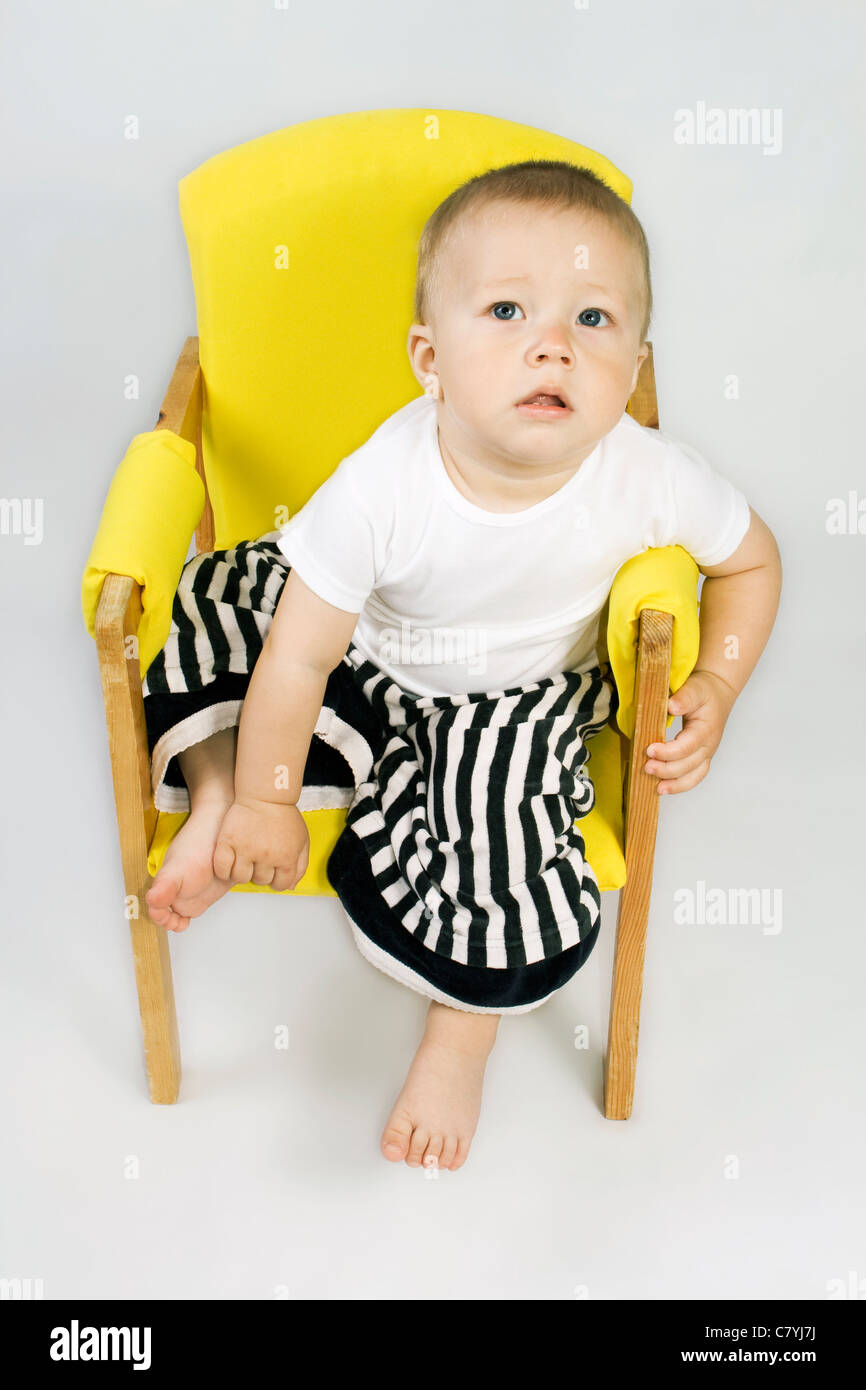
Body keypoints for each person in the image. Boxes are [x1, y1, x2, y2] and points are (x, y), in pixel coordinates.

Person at [141, 160, 782, 1173]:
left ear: (635, 362)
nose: (550, 345)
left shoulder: (645, 473)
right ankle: (222, 792)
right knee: (213, 604)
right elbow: (301, 653)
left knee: (505, 830)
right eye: (506, 310)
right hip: (367, 652)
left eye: (593, 320)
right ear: (427, 357)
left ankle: (461, 1032)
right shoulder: (382, 484)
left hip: (514, 701)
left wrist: (717, 682)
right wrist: (270, 796)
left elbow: (749, 560)